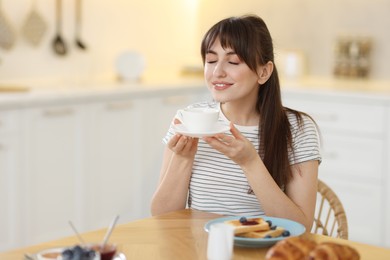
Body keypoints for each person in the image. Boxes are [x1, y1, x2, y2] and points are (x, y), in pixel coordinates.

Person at [151, 14, 321, 231]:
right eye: (211, 60)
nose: (217, 72)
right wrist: (182, 159)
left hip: (264, 250)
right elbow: (161, 217)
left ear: (264, 71)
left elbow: (300, 228)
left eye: (233, 61)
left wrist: (250, 163)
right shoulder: (189, 120)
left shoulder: (297, 129)